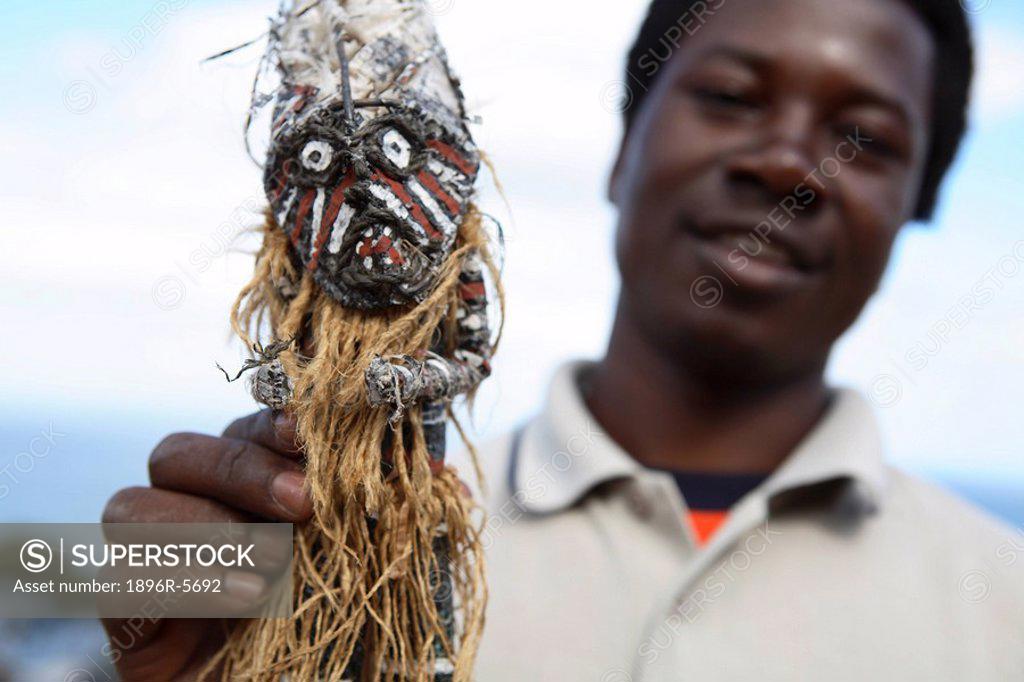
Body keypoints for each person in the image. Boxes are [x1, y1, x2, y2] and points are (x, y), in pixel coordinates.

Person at [102, 0, 1024, 679]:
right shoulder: (340, 544)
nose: (789, 163)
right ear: (624, 148)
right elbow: (34, 574)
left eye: (862, 138)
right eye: (734, 96)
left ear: (921, 204)